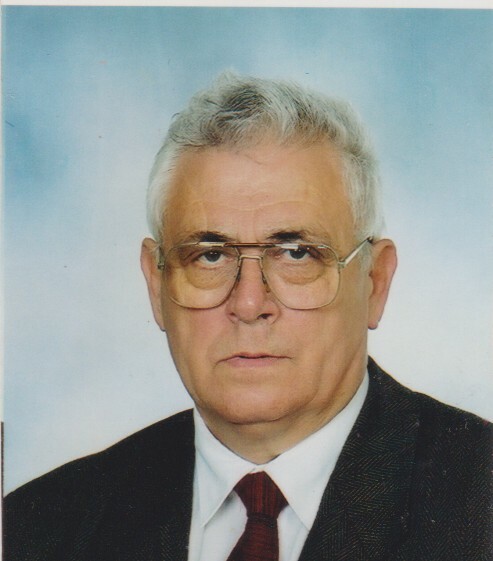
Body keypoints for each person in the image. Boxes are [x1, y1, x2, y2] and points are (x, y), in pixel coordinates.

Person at [4, 72, 492, 561]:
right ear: (156, 284)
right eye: (210, 256)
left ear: (374, 282)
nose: (249, 304)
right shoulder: (35, 530)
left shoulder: (479, 500)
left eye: (297, 253)